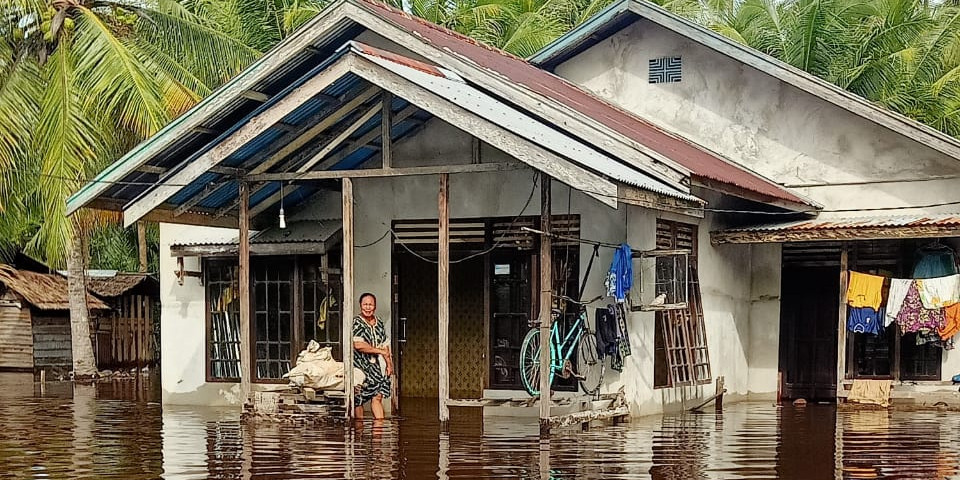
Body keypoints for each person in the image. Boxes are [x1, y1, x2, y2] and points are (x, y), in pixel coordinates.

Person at [352, 292, 393, 419]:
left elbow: (385, 345)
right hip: (359, 365)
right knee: (358, 399)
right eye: (365, 304)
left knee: (377, 396)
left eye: (370, 305)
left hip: (375, 366)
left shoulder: (379, 322)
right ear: (360, 306)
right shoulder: (357, 322)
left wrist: (389, 364)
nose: (368, 307)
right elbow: (358, 345)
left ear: (375, 307)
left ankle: (378, 431)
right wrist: (379, 351)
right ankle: (358, 433)